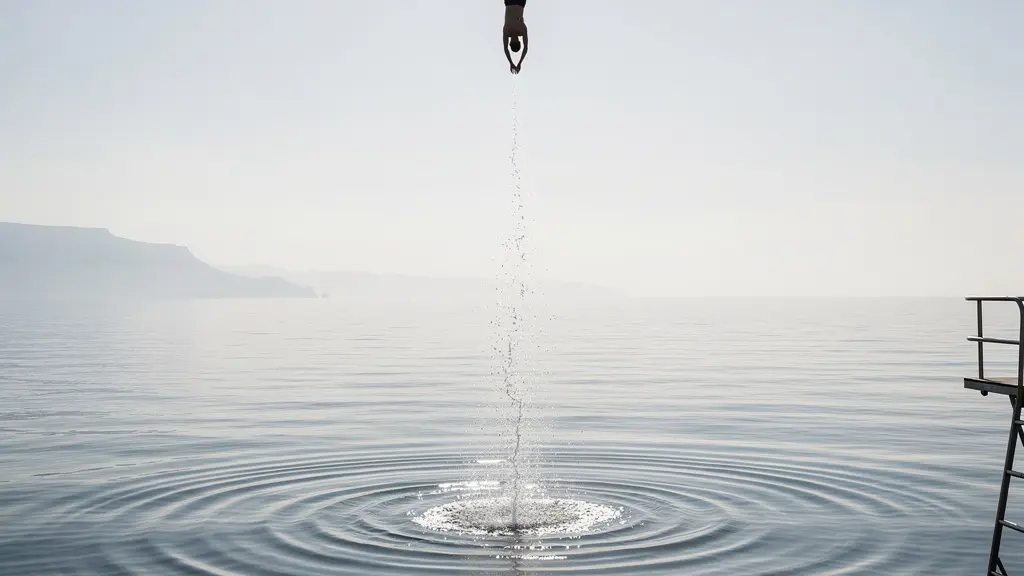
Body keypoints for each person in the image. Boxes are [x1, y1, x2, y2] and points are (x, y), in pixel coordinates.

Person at [503, 0, 528, 74]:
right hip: (520, 3)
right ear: (519, 41)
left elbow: (505, 49)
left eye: (513, 41)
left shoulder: (506, 32)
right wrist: (520, 63)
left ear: (510, 42)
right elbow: (526, 47)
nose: (514, 38)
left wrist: (511, 63)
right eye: (516, 40)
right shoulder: (522, 29)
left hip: (509, 2)